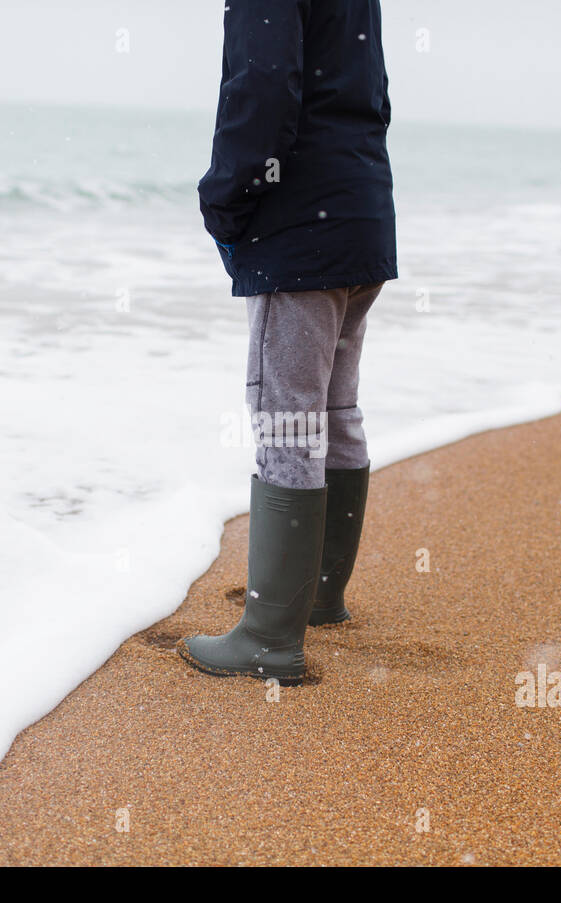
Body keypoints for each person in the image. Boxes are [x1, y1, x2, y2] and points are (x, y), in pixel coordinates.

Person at [178, 0, 396, 683]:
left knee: (288, 419)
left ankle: (272, 636)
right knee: (334, 410)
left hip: (299, 225)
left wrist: (223, 202)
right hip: (360, 212)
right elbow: (370, 94)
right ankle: (321, 598)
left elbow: (263, 85)